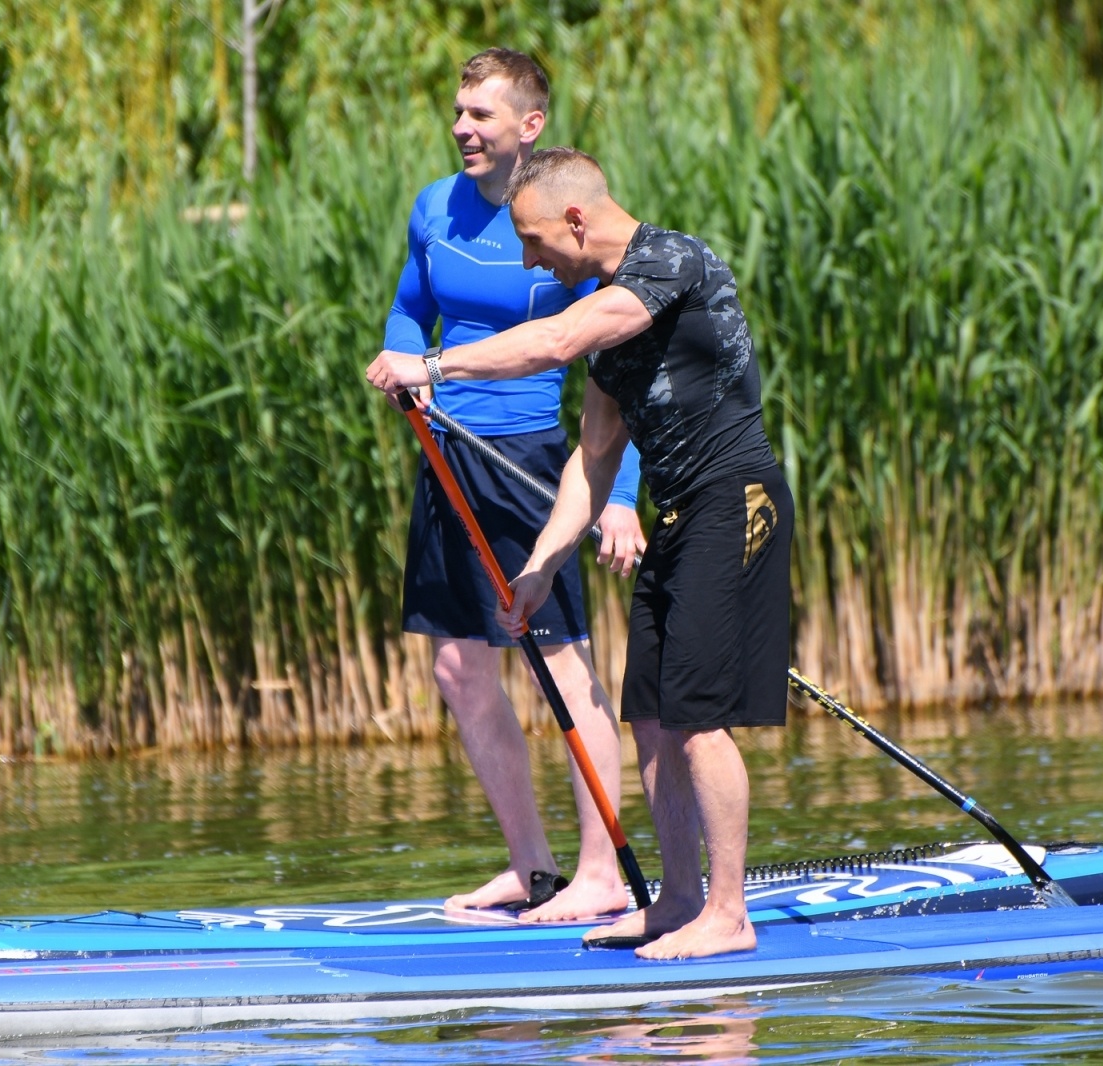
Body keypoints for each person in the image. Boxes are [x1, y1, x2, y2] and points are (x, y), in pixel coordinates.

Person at [366, 146, 794, 960]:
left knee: (701, 722)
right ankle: (675, 902)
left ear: (574, 220)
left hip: (737, 501)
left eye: (532, 241)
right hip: (678, 513)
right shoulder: (605, 318)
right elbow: (595, 459)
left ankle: (729, 915)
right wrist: (541, 567)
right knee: (654, 720)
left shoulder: (667, 262)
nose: (528, 258)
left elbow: (555, 341)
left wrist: (431, 364)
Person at [379, 49, 647, 921]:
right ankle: (533, 869)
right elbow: (409, 309)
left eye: (480, 115)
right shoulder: (433, 207)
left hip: (534, 461)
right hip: (448, 454)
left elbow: (625, 363)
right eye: (458, 112)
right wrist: (405, 360)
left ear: (528, 125)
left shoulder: (564, 217)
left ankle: (602, 874)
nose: (461, 127)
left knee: (563, 671)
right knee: (459, 668)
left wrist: (618, 494)